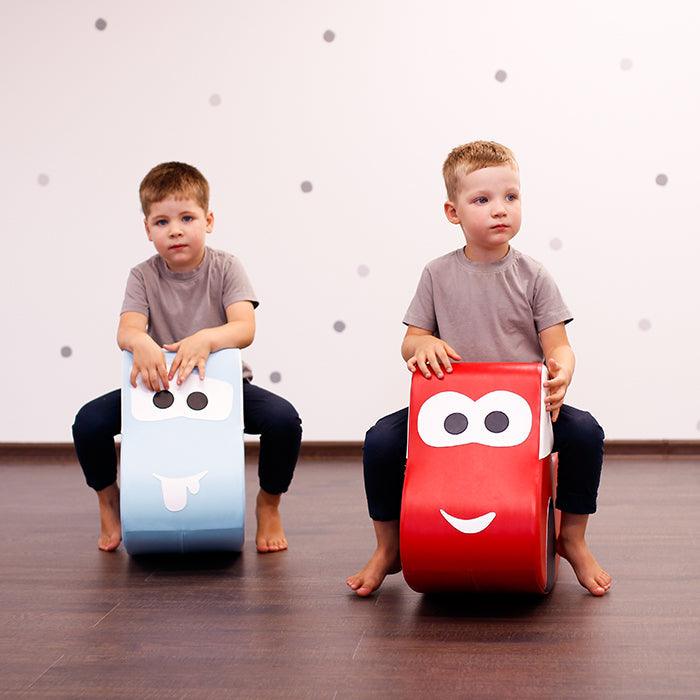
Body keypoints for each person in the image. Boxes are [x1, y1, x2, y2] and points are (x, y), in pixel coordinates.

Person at [347, 141, 612, 597]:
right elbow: (410, 340)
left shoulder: (533, 275)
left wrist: (562, 372)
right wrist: (422, 342)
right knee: (381, 441)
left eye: (510, 197)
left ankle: (571, 538)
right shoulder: (436, 274)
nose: (499, 210)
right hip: (448, 411)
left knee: (586, 432)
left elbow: (559, 346)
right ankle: (388, 547)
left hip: (526, 411)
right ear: (453, 212)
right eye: (482, 200)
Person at [72, 162, 301, 553]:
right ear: (148, 230)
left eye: (187, 218)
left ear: (208, 221)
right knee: (89, 423)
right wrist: (139, 342)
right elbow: (127, 330)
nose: (175, 230)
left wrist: (207, 339)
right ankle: (108, 499)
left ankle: (270, 502)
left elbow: (244, 327)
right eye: (161, 222)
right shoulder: (142, 276)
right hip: (156, 389)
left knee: (283, 420)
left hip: (222, 387)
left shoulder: (226, 267)